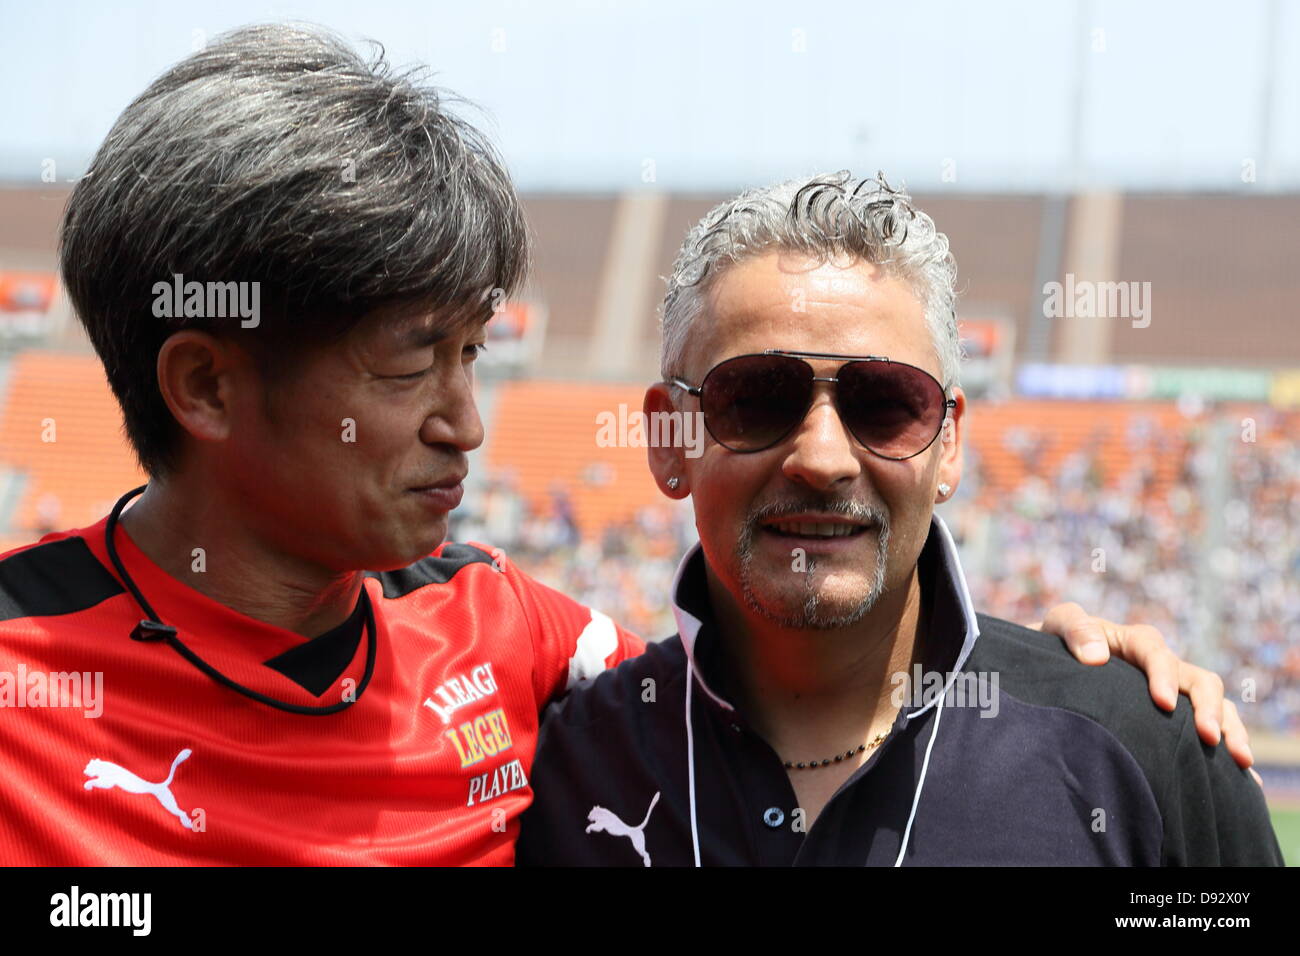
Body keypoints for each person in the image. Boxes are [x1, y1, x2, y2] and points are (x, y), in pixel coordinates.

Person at [0, 26, 1254, 865]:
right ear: (207, 382)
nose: (466, 421)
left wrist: (1102, 683)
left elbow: (768, 652)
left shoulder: (508, 638)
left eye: (471, 356)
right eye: (406, 364)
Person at [516, 171, 1283, 866]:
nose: (823, 458)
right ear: (668, 439)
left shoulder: (1145, 752)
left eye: (884, 403)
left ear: (949, 445)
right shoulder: (556, 769)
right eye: (754, 397)